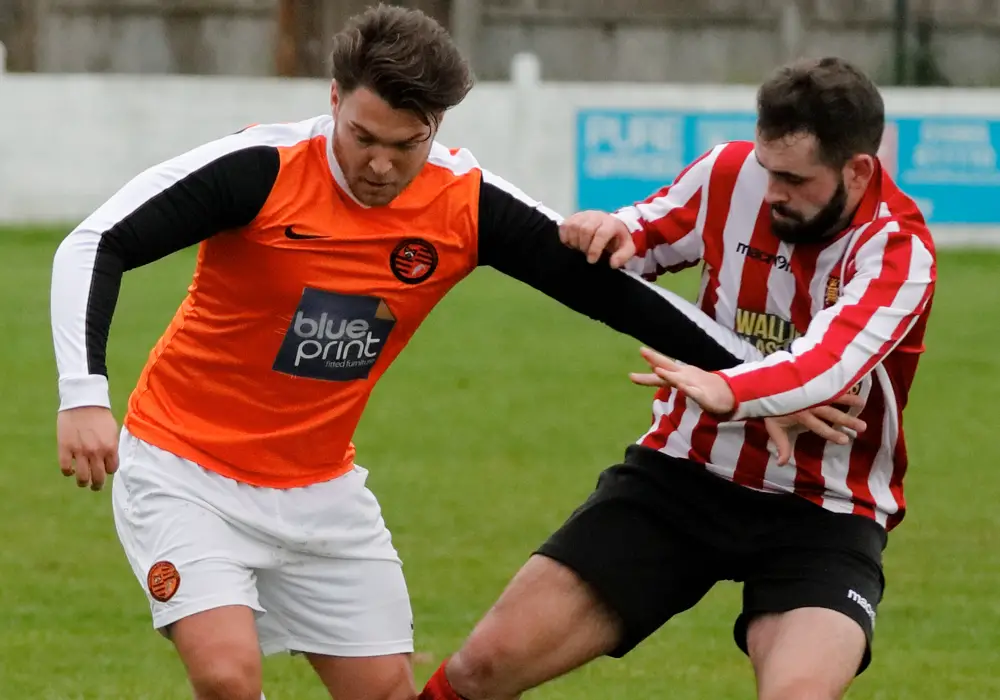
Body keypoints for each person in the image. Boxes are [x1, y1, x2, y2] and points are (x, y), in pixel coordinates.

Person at [48, 6, 857, 700]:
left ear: (436, 127)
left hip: (320, 492)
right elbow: (96, 242)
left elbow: (611, 292)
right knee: (229, 677)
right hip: (185, 470)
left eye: (405, 144)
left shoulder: (461, 200)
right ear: (332, 99)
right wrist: (84, 393)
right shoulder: (258, 170)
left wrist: (768, 384)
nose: (378, 163)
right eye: (362, 135)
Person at [418, 57, 936, 700]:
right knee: (481, 668)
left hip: (823, 508)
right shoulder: (729, 173)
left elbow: (828, 362)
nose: (772, 189)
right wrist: (610, 228)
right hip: (682, 476)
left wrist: (731, 388)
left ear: (858, 170)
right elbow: (648, 232)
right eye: (766, 166)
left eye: (795, 179)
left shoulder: (898, 248)